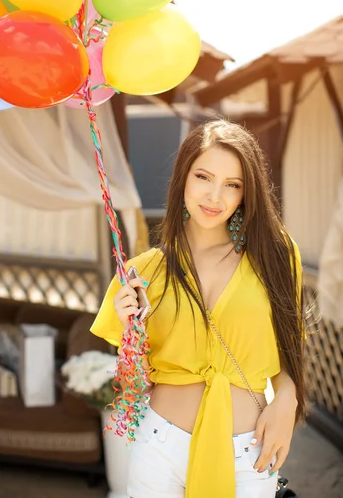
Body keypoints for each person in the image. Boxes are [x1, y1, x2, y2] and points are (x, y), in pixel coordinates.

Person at [91, 119, 306, 498]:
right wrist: (130, 331)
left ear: (246, 193)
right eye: (203, 177)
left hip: (248, 451)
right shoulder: (145, 272)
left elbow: (291, 350)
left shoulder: (275, 255)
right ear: (183, 179)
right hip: (158, 448)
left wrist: (287, 401)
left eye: (232, 185)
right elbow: (134, 383)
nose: (215, 197)